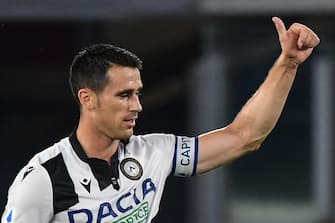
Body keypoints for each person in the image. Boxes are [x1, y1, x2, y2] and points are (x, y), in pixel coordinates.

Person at [1, 17, 320, 223]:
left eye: (138, 93)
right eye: (124, 95)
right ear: (88, 99)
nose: (137, 106)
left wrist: (287, 64)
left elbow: (245, 136)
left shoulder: (155, 152)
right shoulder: (41, 180)